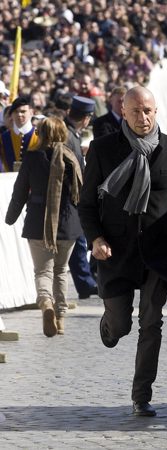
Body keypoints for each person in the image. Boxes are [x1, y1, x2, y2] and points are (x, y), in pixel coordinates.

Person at [78, 86, 167, 417]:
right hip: (114, 252)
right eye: (135, 112)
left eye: (148, 111)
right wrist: (96, 239)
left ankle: (141, 395)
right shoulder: (103, 150)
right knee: (122, 326)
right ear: (123, 113)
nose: (143, 118)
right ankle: (110, 325)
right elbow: (86, 204)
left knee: (152, 323)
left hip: (157, 252)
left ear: (156, 111)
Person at [5, 117, 83, 337]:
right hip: (68, 222)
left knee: (43, 271)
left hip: (39, 222)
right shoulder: (72, 157)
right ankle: (60, 318)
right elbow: (82, 189)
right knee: (61, 271)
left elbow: (20, 191)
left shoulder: (32, 157)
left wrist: (11, 217)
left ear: (41, 133)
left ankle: (46, 303)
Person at [64, 95, 99, 299]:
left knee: (79, 239)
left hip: (74, 195)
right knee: (77, 240)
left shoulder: (72, 134)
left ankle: (85, 282)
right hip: (71, 196)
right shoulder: (69, 136)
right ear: (86, 118)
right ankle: (85, 283)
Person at [0, 96, 39, 172]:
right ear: (11, 115)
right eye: (15, 111)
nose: (19, 114)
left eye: (23, 111)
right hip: (9, 182)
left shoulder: (40, 136)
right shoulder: (3, 138)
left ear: (31, 112)